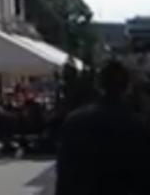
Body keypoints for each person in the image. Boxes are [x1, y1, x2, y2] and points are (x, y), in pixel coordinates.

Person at [56, 60, 150, 195]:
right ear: (127, 87)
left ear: (98, 84)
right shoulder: (138, 126)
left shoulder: (75, 121)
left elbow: (65, 174)